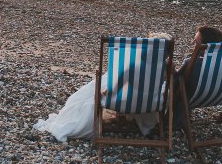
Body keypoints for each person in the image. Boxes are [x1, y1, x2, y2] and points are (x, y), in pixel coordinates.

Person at [33, 32, 173, 142]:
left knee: (90, 94)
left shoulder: (133, 66)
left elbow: (113, 88)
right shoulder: (166, 68)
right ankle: (127, 119)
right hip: (148, 102)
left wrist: (105, 92)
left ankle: (83, 122)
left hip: (123, 100)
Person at [173, 26, 222, 129]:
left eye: (196, 42)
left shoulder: (194, 63)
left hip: (193, 97)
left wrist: (171, 69)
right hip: (221, 97)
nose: (193, 44)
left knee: (176, 86)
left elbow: (176, 82)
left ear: (206, 47)